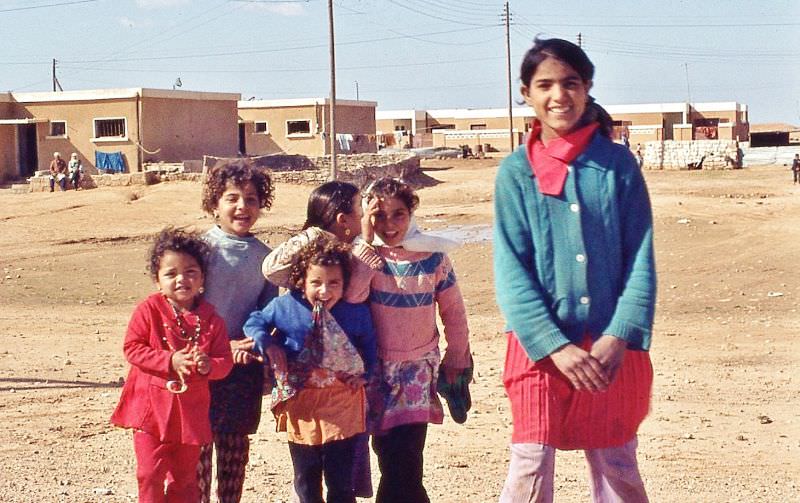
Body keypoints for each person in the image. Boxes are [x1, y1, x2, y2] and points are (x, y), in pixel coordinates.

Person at [493, 37, 656, 503]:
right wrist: (554, 346)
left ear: (587, 88)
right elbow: (511, 270)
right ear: (525, 92)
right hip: (537, 349)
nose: (558, 95)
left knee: (616, 462)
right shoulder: (514, 174)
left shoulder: (618, 166)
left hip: (610, 348)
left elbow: (640, 256)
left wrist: (619, 333)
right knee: (530, 463)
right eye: (544, 84)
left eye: (570, 83)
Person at [348, 177, 472, 503]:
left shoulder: (433, 258)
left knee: (408, 460)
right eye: (379, 216)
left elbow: (454, 312)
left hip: (418, 369)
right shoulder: (366, 259)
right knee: (388, 456)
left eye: (398, 214)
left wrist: (457, 355)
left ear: (412, 213)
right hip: (378, 373)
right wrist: (365, 241)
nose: (389, 224)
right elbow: (353, 295)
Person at [261, 180, 381, 499]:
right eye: (357, 212)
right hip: (305, 386)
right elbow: (270, 270)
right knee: (308, 474)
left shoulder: (356, 251)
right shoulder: (308, 256)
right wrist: (316, 233)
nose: (324, 289)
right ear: (342, 220)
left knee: (343, 474)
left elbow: (360, 311)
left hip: (342, 384)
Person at [110, 228, 234, 503]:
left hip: (189, 414)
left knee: (185, 479)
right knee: (149, 474)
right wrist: (170, 360)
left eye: (191, 271)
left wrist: (207, 366)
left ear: (202, 278)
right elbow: (132, 348)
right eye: (171, 273)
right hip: (151, 411)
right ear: (157, 280)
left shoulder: (212, 321)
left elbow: (224, 362)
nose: (182, 279)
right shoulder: (149, 311)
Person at [198, 159, 278, 503]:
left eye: (251, 199)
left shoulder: (266, 258)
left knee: (233, 452)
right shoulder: (199, 251)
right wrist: (218, 346)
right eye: (232, 198)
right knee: (197, 450)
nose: (242, 206)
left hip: (241, 367)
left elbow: (265, 313)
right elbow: (184, 306)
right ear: (214, 204)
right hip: (200, 363)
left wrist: (255, 346)